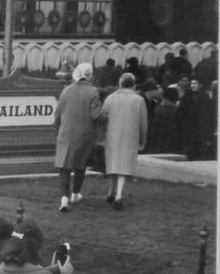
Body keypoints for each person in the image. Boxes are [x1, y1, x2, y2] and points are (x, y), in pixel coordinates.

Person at [54, 62, 103, 212]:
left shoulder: (66, 91)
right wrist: (106, 115)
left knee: (64, 167)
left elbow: (57, 114)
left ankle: (64, 198)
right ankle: (75, 193)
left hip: (66, 133)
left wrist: (58, 130)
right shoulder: (93, 92)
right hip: (84, 134)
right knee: (80, 165)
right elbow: (96, 115)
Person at [100, 72, 149, 210]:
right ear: (133, 85)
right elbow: (143, 123)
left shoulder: (110, 98)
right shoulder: (139, 100)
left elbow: (103, 119)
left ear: (120, 83)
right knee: (124, 166)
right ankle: (119, 195)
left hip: (112, 135)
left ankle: (111, 191)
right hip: (130, 136)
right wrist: (142, 140)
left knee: (113, 163)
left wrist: (101, 137)